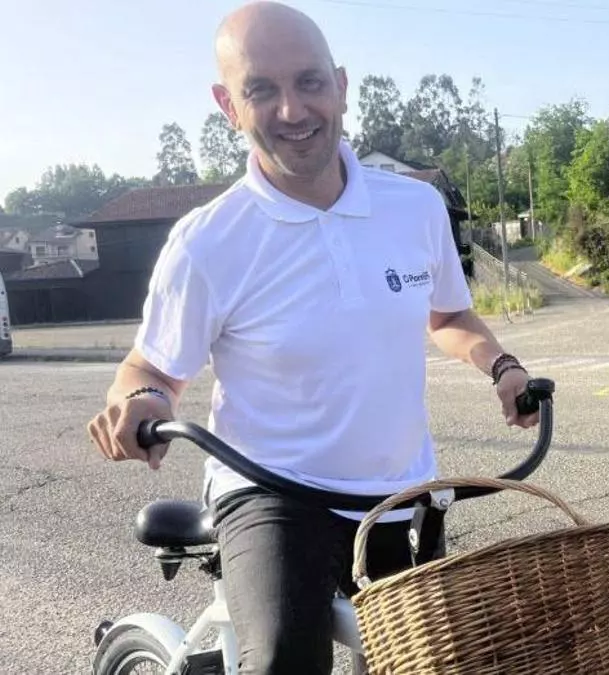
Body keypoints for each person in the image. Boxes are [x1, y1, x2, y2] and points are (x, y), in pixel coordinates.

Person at [84, 2, 537, 672]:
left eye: (309, 82)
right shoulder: (208, 241)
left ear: (341, 86)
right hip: (271, 493)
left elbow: (448, 318)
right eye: (261, 90)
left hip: (393, 497)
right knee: (284, 661)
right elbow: (148, 368)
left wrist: (502, 366)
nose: (293, 109)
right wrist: (143, 401)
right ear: (228, 106)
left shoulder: (414, 208)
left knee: (433, 659)